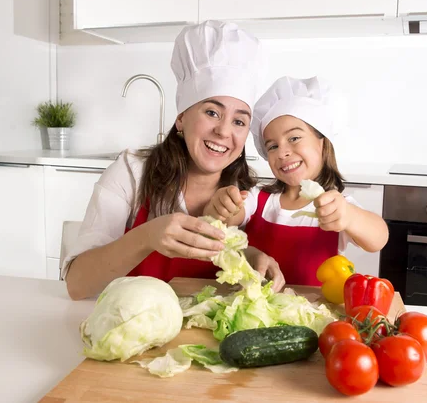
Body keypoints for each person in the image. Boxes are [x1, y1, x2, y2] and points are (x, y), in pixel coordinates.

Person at [63, 21, 285, 300]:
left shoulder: (250, 196)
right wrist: (147, 237)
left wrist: (250, 257)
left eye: (239, 121)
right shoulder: (132, 173)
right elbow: (77, 285)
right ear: (181, 118)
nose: (224, 131)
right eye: (212, 113)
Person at [203, 76, 389, 286]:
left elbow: (378, 238)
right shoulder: (259, 199)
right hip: (255, 309)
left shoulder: (335, 206)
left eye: (294, 138)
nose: (282, 152)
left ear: (322, 143)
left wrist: (349, 216)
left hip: (312, 312)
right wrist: (222, 205)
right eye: (272, 146)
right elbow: (227, 220)